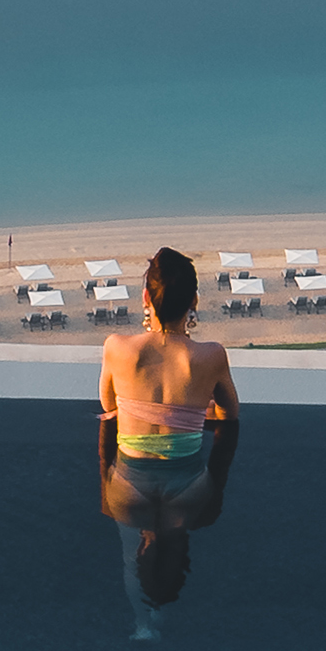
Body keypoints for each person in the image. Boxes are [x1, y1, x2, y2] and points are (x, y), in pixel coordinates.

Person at [98, 242, 236, 610]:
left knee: (129, 553)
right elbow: (229, 416)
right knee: (179, 526)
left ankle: (144, 624)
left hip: (128, 487)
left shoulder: (117, 347)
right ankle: (168, 566)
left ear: (145, 297)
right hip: (188, 486)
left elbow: (110, 408)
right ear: (194, 301)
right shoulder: (211, 355)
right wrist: (192, 411)